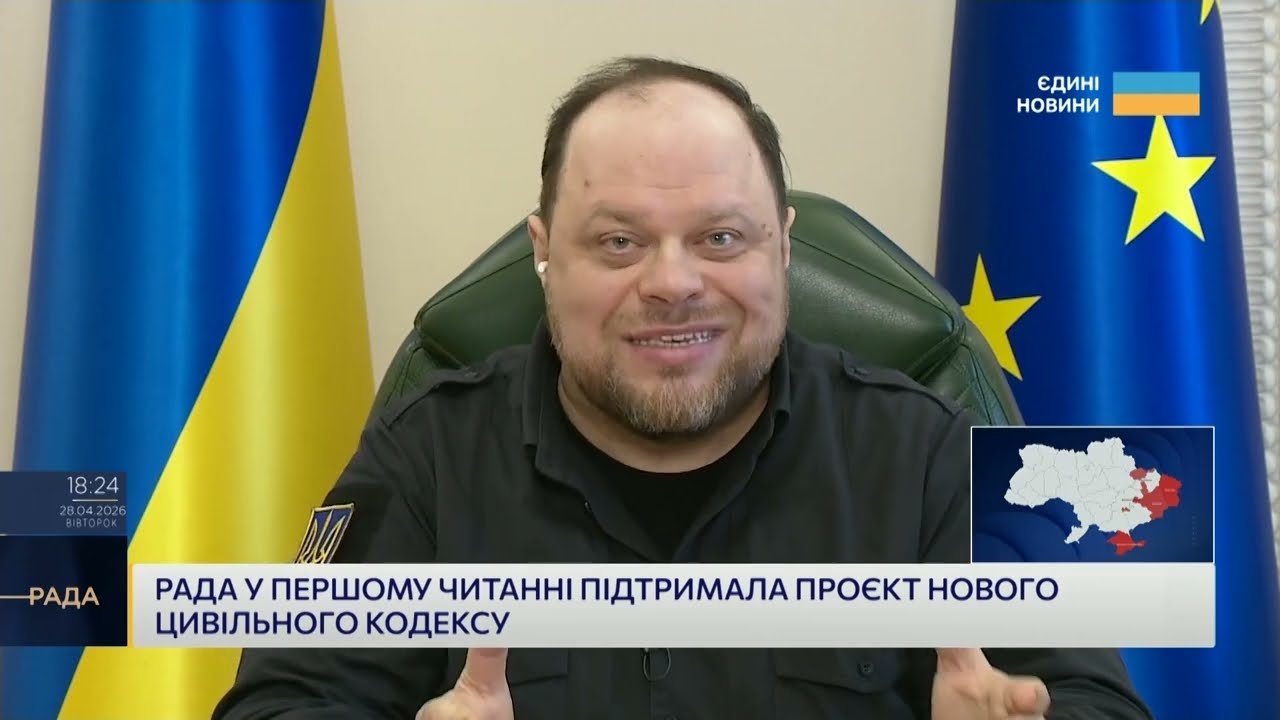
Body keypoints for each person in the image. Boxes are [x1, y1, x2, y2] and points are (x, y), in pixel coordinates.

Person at [212, 56, 1153, 720]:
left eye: (721, 238)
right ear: (545, 254)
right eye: (619, 242)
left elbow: (1097, 701)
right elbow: (280, 704)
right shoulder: (427, 455)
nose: (672, 283)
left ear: (782, 249)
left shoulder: (935, 453)